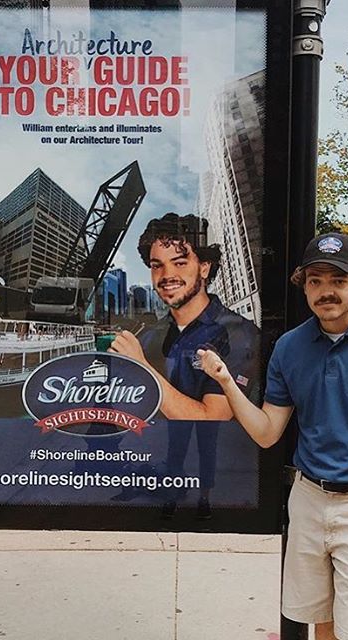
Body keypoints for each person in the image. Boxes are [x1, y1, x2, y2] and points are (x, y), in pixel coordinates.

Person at [197, 232, 348, 640]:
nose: (326, 291)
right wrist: (225, 381)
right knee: (320, 620)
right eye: (315, 280)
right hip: (309, 500)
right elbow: (269, 432)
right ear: (303, 285)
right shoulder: (290, 348)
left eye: (338, 280)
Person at [109, 212, 260, 517]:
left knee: (207, 451)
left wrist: (141, 366)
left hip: (211, 433)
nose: (166, 275)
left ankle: (205, 500)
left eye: (180, 262)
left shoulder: (237, 332)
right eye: (156, 265)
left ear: (204, 267)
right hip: (168, 433)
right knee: (174, 451)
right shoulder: (152, 335)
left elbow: (213, 416)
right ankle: (170, 496)